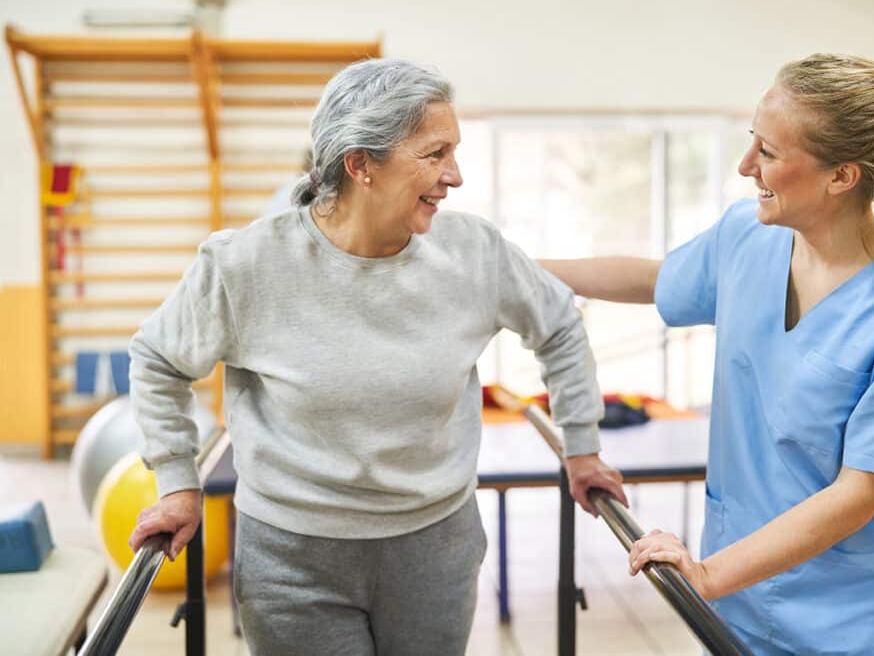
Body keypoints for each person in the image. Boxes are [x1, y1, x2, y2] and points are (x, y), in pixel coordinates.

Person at [127, 58, 626, 656]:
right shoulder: (247, 264)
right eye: (434, 153)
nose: (455, 175)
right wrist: (178, 481)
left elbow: (559, 325)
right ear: (360, 163)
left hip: (434, 548)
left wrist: (582, 444)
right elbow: (158, 359)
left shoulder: (473, 252)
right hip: (293, 556)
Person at [541, 54, 874, 655]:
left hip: (855, 623)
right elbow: (655, 279)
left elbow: (857, 494)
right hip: (742, 600)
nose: (745, 166)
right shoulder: (748, 236)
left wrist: (707, 574)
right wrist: (512, 270)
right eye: (752, 141)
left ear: (842, 176)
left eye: (769, 153)